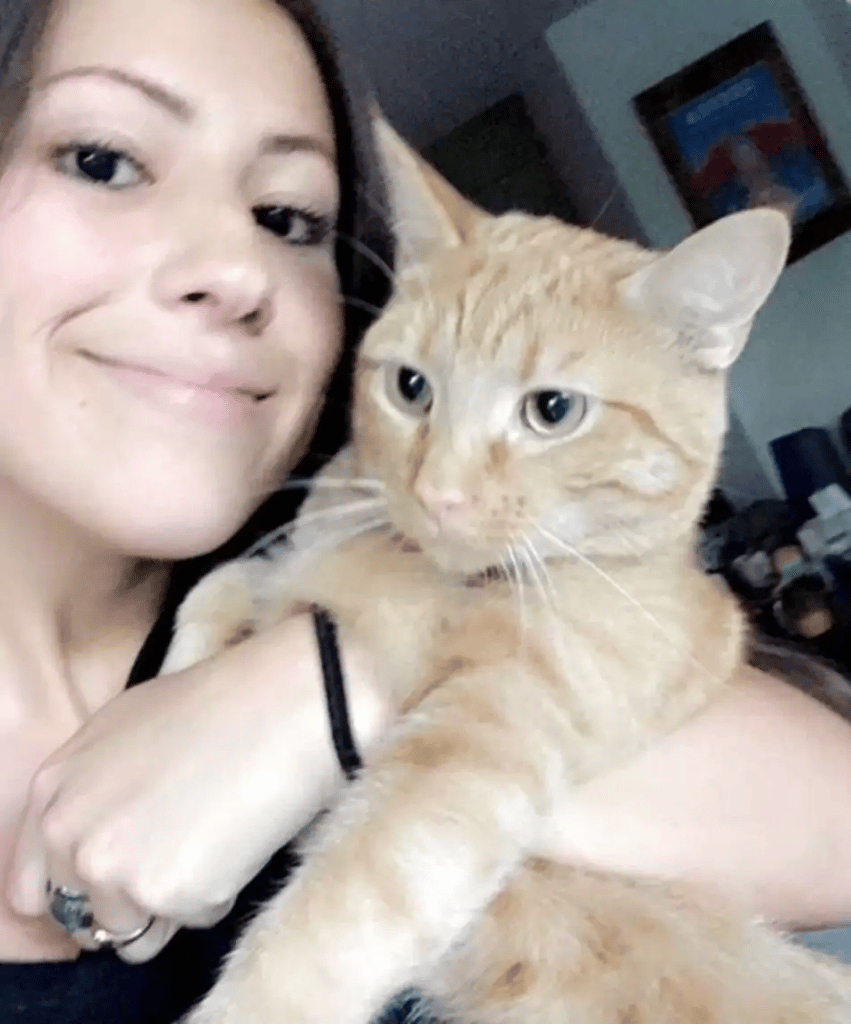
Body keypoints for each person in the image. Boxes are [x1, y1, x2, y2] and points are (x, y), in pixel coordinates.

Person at [0, 0, 850, 1021]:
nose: (233, 272)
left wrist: (325, 689)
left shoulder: (361, 563)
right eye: (102, 158)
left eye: (287, 219)